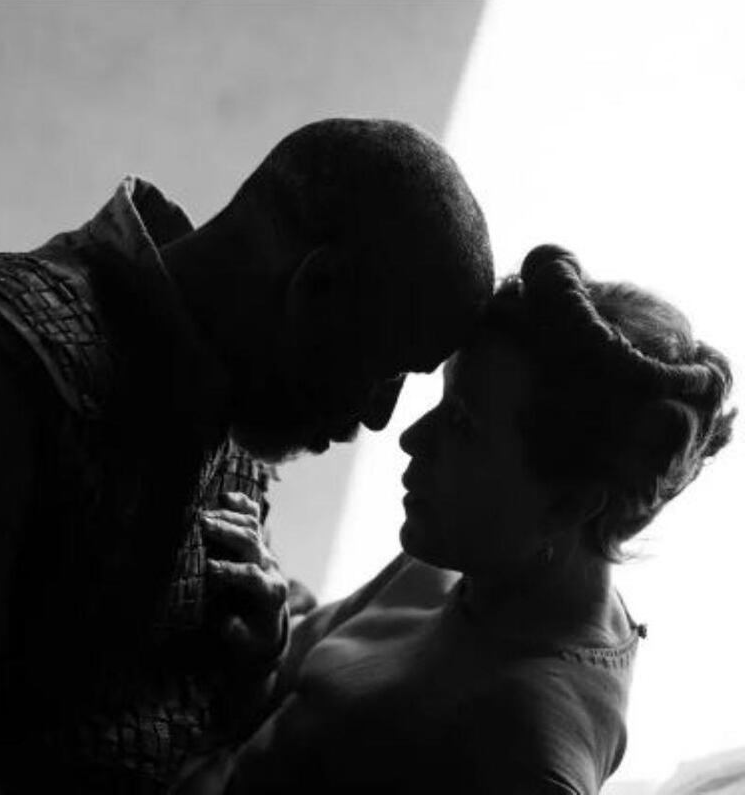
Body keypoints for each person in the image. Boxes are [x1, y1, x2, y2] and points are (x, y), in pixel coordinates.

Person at [0, 118, 494, 794]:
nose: (381, 418)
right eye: (388, 369)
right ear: (314, 289)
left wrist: (258, 651)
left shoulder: (230, 415)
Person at [174, 244, 736, 795]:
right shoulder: (468, 555)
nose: (411, 438)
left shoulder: (526, 756)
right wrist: (269, 638)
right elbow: (299, 710)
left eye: (464, 425)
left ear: (570, 503)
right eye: (443, 403)